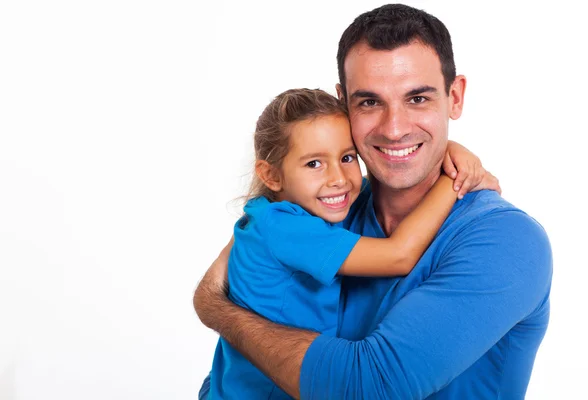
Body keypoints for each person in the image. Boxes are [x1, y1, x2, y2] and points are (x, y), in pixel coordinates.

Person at [195, 4, 552, 399]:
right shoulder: (329, 207)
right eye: (369, 102)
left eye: (417, 99)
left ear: (454, 96)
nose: (395, 128)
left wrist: (219, 311)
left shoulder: (507, 241)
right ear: (343, 103)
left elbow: (369, 388)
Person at [208, 88, 499, 399]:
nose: (339, 178)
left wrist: (449, 149)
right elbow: (398, 255)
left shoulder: (282, 211)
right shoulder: (285, 227)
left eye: (347, 157)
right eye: (314, 164)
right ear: (272, 175)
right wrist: (454, 180)